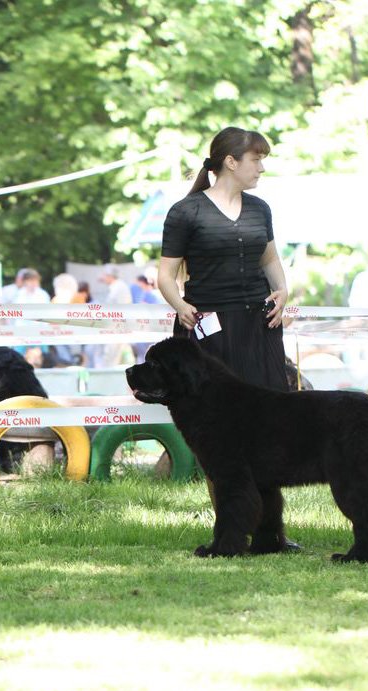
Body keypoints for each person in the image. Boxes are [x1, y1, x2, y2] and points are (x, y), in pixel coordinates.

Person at [157, 125, 300, 551]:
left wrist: (283, 293)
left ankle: (271, 534)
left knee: (269, 427)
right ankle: (231, 532)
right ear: (231, 162)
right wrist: (180, 307)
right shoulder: (186, 212)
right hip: (208, 329)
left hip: (259, 327)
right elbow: (165, 275)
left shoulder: (260, 208)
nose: (261, 167)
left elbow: (270, 259)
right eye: (256, 159)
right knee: (217, 433)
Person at [93, 264, 133, 368]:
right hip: (115, 328)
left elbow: (114, 308)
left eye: (104, 275)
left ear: (110, 276)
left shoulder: (118, 287)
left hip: (117, 329)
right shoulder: (117, 286)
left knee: (112, 360)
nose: (103, 278)